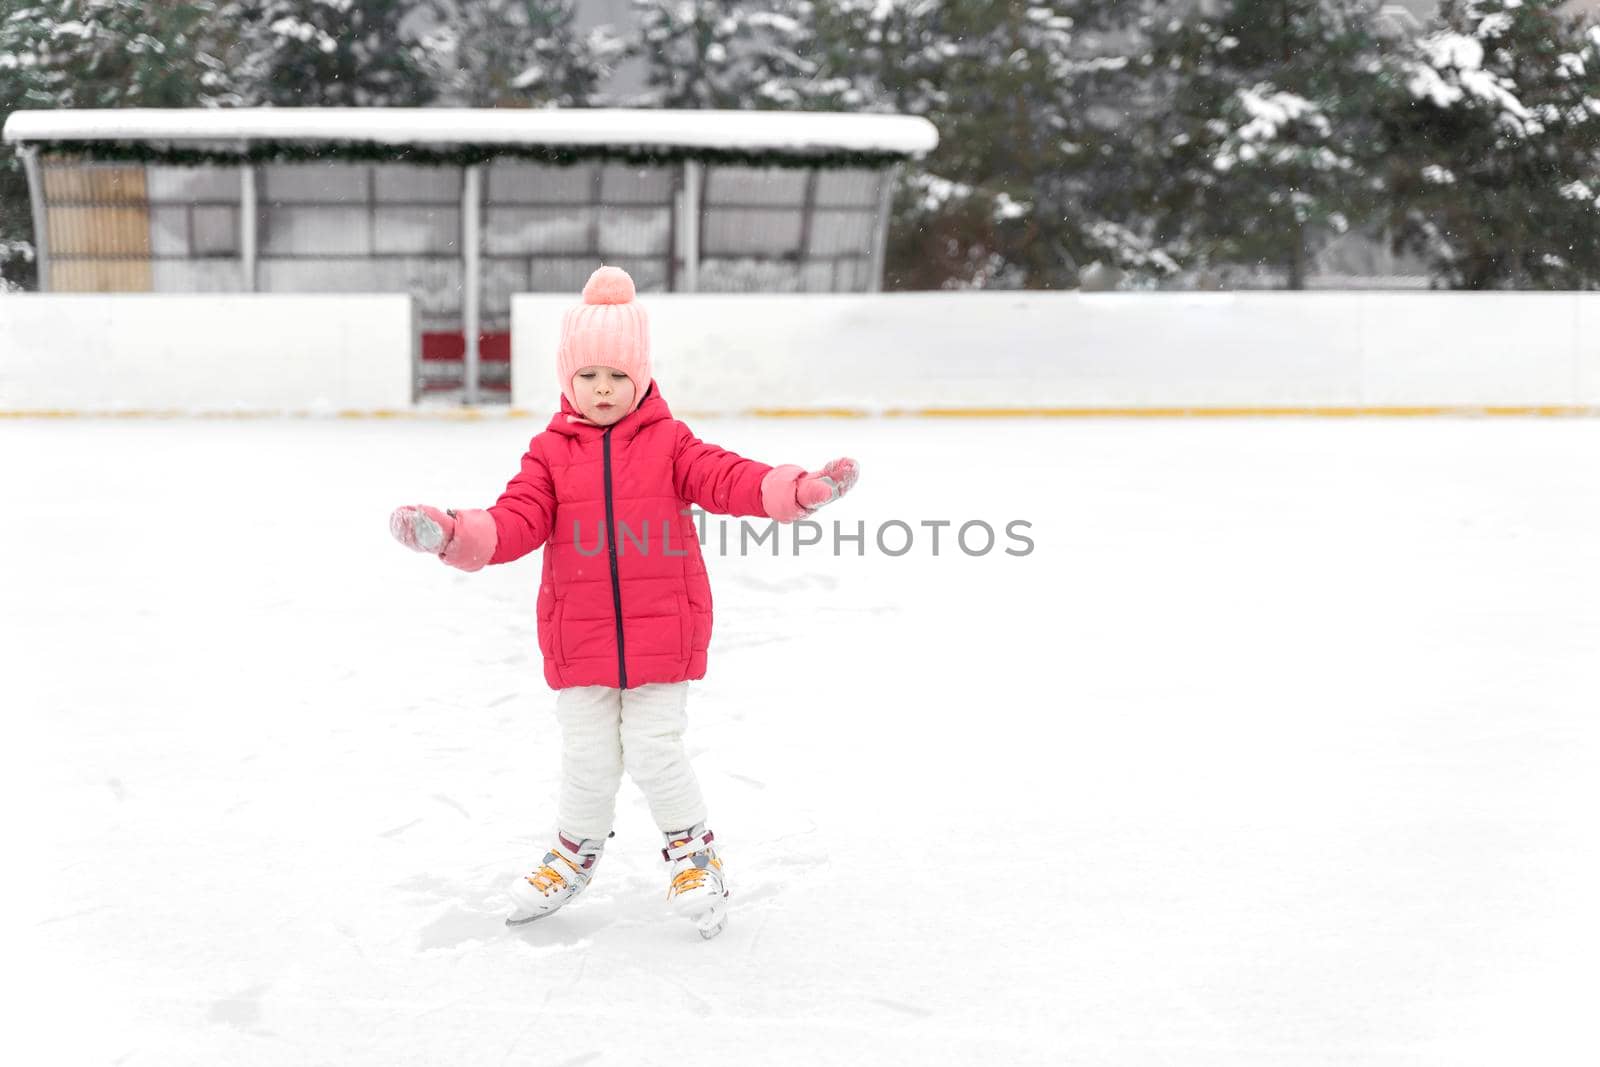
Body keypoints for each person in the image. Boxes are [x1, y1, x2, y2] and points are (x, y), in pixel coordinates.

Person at [389, 265, 858, 939]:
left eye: (616, 375)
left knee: (654, 749)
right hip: (579, 638)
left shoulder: (671, 444)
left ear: (639, 377)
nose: (603, 388)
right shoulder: (548, 455)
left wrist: (798, 489)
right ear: (567, 378)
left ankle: (694, 855)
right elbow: (514, 519)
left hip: (662, 633)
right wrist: (453, 532)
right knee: (586, 757)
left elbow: (732, 478)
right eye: (589, 375)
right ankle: (574, 852)